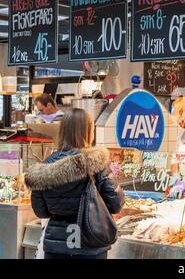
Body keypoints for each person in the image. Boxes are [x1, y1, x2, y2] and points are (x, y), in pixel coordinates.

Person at [24, 108, 124, 259]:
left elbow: (41, 212)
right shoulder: (97, 164)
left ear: (63, 131)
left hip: (56, 246)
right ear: (88, 131)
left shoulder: (43, 168)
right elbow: (116, 204)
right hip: (90, 243)